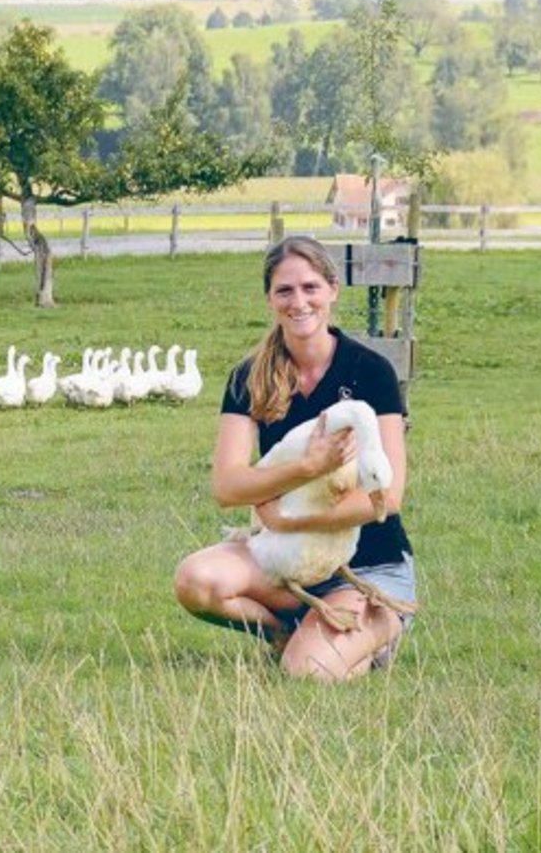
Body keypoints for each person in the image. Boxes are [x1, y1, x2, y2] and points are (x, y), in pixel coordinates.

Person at [173, 235, 416, 681]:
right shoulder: (249, 377)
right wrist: (307, 468)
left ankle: (375, 628)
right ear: (269, 298)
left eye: (310, 288)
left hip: (366, 562)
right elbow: (227, 486)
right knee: (196, 580)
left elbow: (389, 497)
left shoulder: (371, 371)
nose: (298, 301)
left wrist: (287, 519)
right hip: (288, 559)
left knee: (309, 672)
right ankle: (287, 630)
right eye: (284, 290)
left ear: (332, 291)